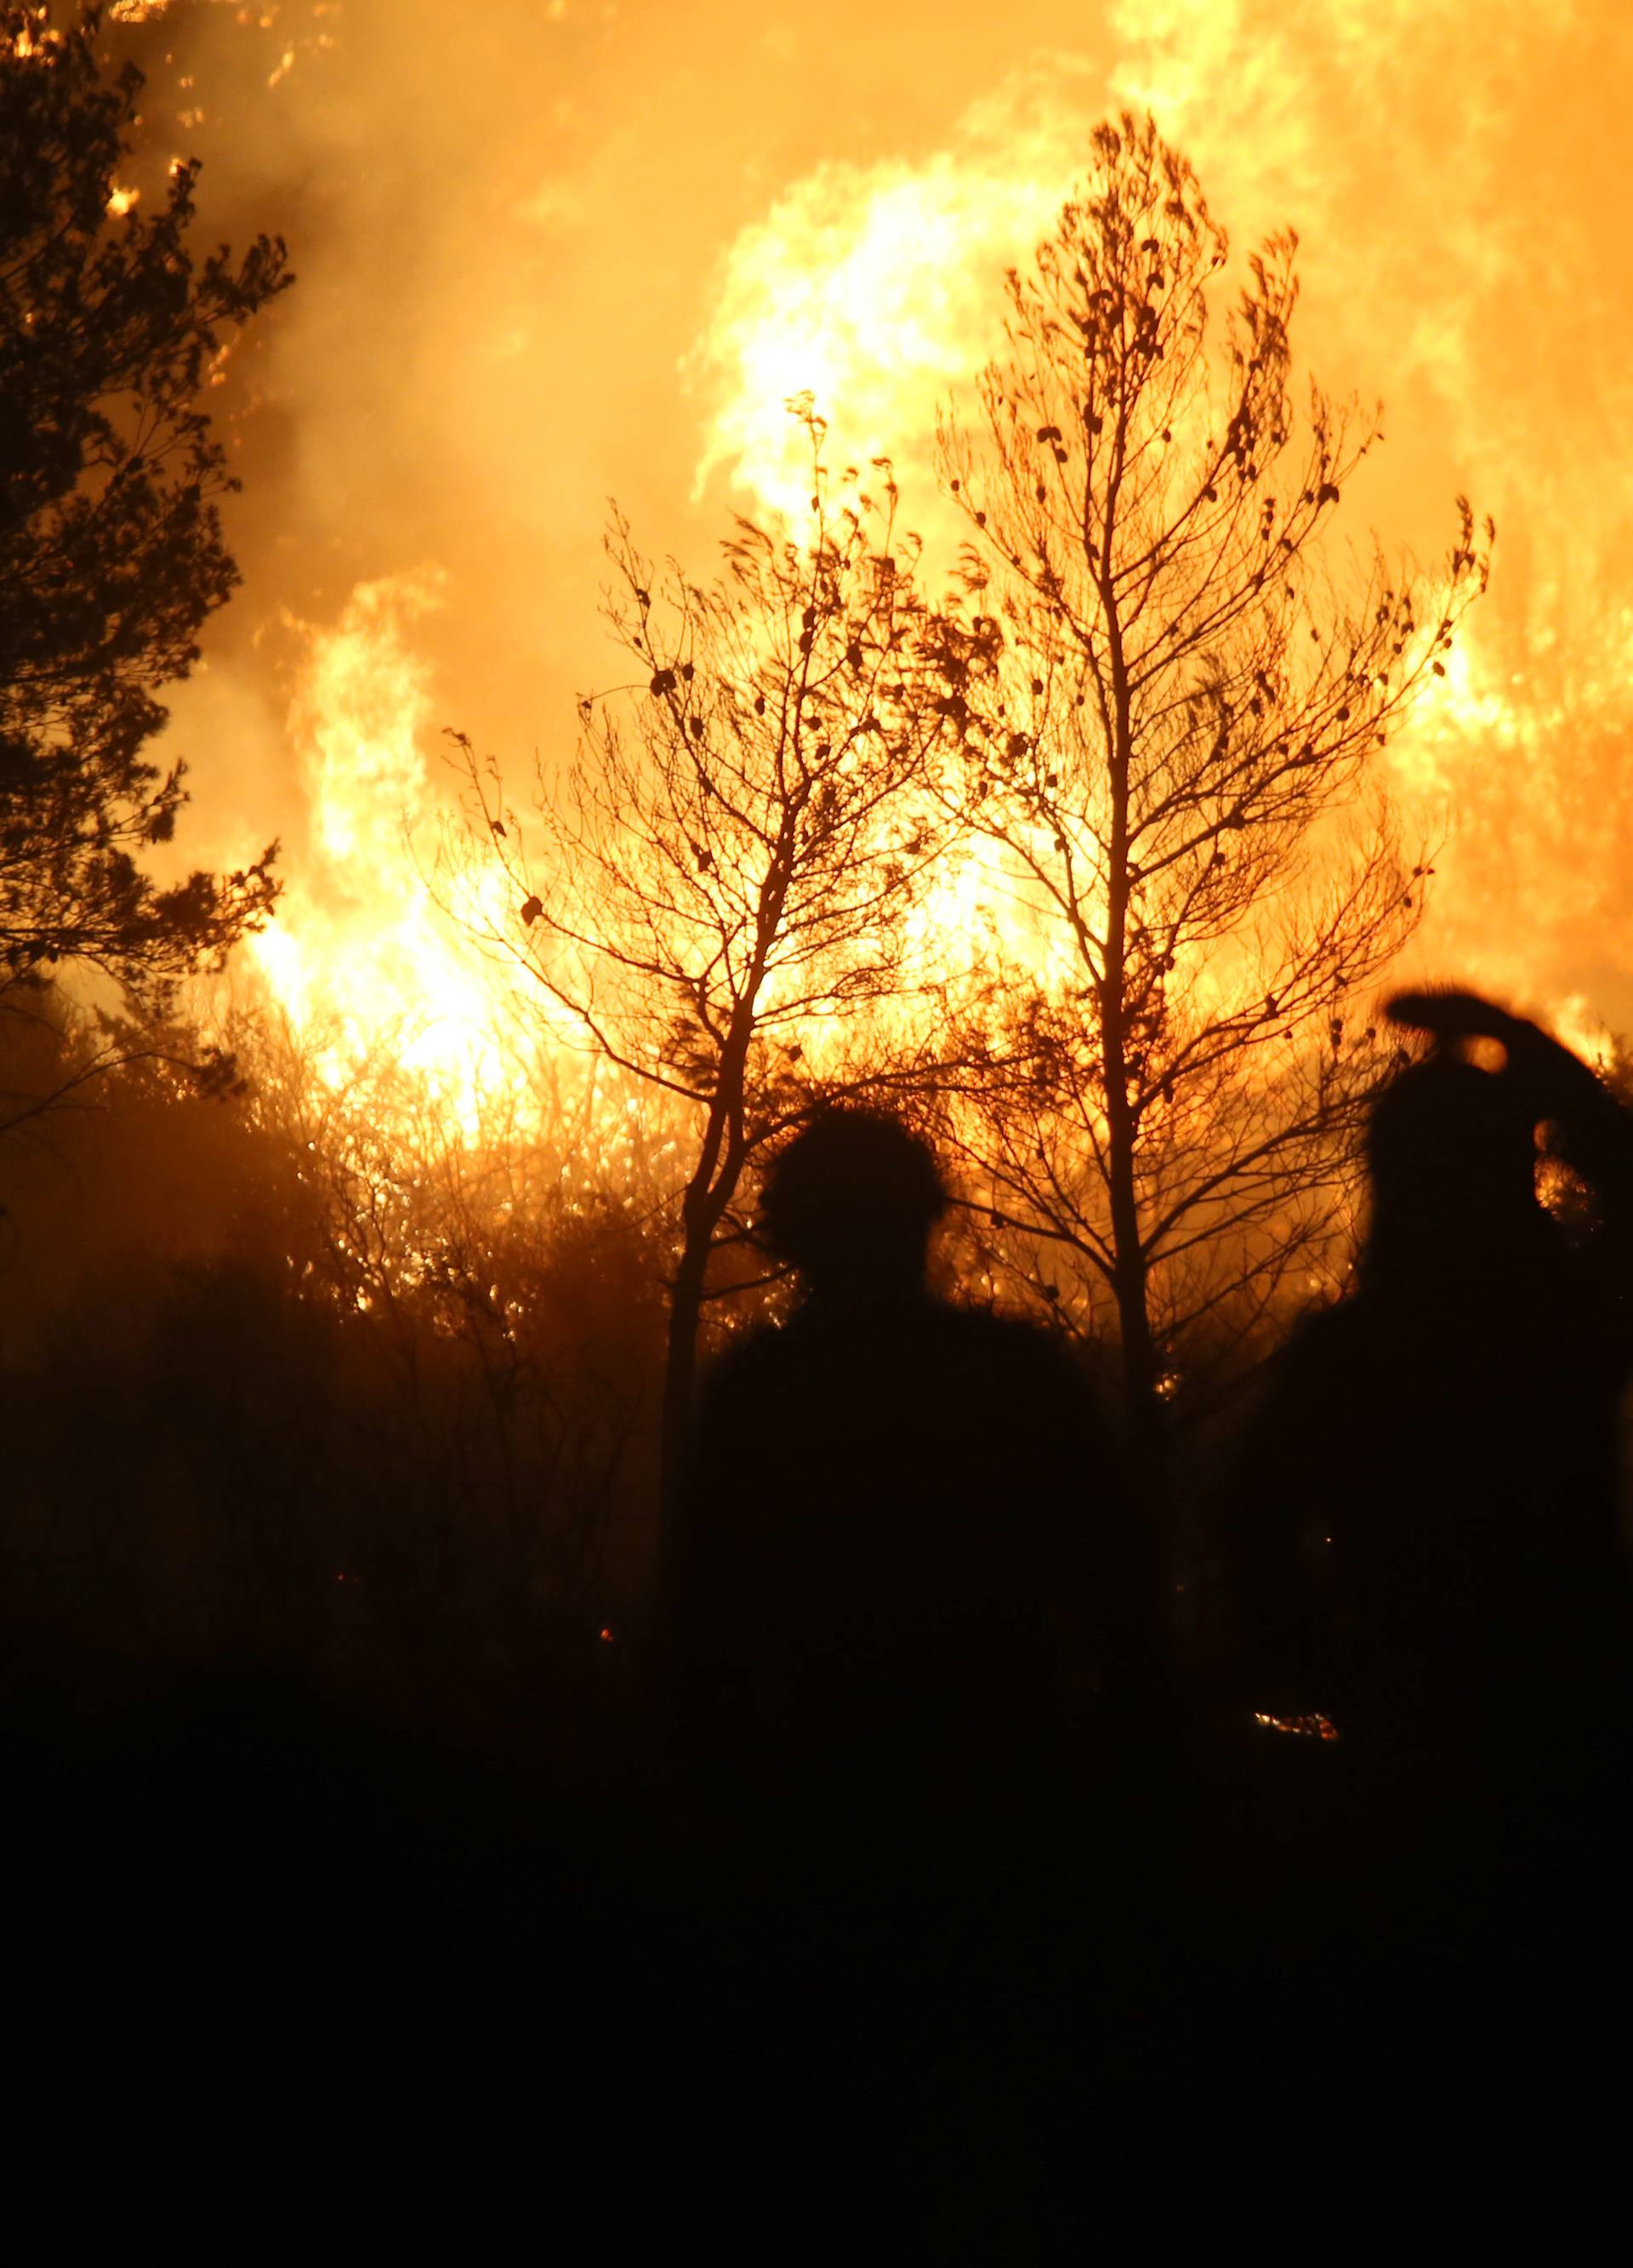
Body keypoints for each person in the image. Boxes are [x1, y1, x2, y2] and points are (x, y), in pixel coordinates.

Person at [658, 1109, 1174, 2203]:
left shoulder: (763, 1400)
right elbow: (1124, 1600)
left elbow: (698, 1638)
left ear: (791, 1236)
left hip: (818, 1824)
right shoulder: (1014, 1378)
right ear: (924, 1224)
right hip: (1001, 1823)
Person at [1217, 989, 1633, 2084]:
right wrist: (1544, 1067)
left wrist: (1328, 1673)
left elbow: (1245, 1533)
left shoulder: (1356, 1351)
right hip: (1578, 1748)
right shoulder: (1573, 1327)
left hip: (1407, 1759)